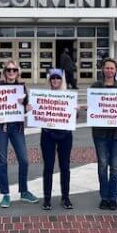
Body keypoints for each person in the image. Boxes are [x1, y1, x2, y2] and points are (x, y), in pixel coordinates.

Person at [0, 59, 39, 208]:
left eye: (14, 70)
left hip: (17, 128)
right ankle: (5, 194)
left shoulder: (22, 87)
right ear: (4, 72)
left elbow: (26, 106)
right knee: (2, 162)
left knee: (24, 160)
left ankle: (24, 191)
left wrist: (27, 107)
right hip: (0, 128)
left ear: (18, 72)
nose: (11, 72)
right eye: (8, 70)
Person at [90, 57, 117, 211]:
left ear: (116, 70)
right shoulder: (95, 87)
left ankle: (113, 198)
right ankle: (104, 197)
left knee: (115, 166)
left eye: (112, 68)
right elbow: (93, 106)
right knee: (102, 165)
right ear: (103, 69)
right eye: (107, 68)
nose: (109, 70)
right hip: (100, 133)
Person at [35, 69, 76, 210]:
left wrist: (75, 111)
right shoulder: (43, 96)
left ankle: (65, 197)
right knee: (48, 167)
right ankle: (47, 198)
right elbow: (35, 112)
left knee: (65, 167)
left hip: (65, 135)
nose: (56, 80)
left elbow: (73, 116)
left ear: (62, 80)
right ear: (49, 80)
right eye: (53, 78)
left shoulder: (68, 96)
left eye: (58, 78)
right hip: (47, 134)